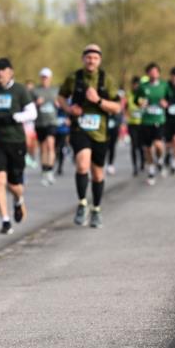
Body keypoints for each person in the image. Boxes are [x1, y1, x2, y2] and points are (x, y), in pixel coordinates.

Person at [56, 44, 121, 229]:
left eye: (95, 58)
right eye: (88, 57)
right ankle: (82, 203)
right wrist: (69, 109)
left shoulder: (106, 80)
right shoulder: (73, 78)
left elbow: (117, 107)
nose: (91, 60)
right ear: (83, 59)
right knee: (83, 163)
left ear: (99, 60)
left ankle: (97, 209)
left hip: (100, 132)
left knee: (98, 174)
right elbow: (60, 97)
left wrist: (98, 101)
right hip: (80, 128)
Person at [0, 58, 36, 234]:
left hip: (16, 140)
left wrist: (14, 117)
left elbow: (32, 113)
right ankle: (5, 221)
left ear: (10, 72)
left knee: (14, 184)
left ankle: (19, 199)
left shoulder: (20, 90)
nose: (0, 73)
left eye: (3, 70)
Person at [134, 63, 169, 185]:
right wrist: (140, 103)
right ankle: (151, 170)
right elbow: (136, 100)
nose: (153, 74)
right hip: (146, 120)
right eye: (151, 71)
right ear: (148, 73)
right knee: (148, 148)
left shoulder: (164, 85)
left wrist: (166, 103)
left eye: (155, 71)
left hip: (159, 120)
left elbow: (170, 98)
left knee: (159, 145)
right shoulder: (143, 87)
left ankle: (160, 160)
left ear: (158, 73)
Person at [32, 67, 59, 185]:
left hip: (52, 121)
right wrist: (36, 103)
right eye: (43, 77)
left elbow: (62, 102)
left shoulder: (55, 90)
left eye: (46, 77)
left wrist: (59, 104)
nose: (44, 79)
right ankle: (44, 170)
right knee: (43, 147)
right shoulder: (35, 91)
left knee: (50, 144)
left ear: (50, 78)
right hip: (39, 122)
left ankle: (50, 170)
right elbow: (28, 106)